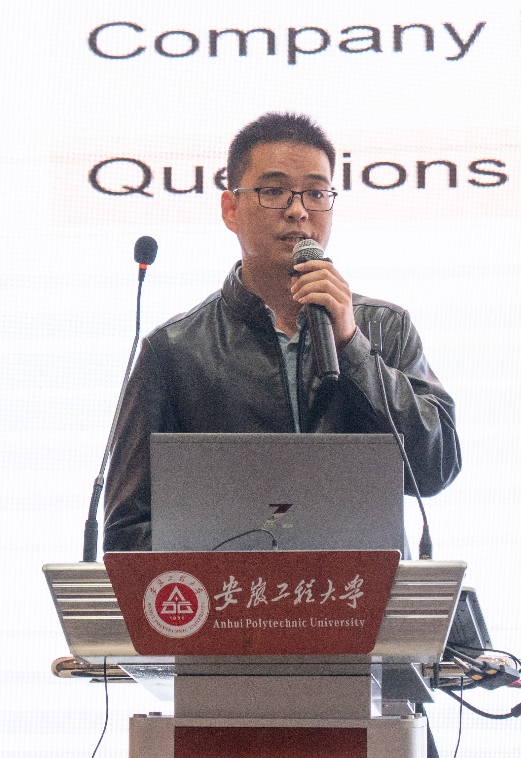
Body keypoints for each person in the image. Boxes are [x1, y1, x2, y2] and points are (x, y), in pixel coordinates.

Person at [102, 112, 461, 553]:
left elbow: (436, 468)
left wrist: (352, 347)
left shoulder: (385, 328)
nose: (298, 210)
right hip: (233, 596)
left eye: (316, 193)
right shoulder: (174, 351)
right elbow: (128, 530)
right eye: (274, 191)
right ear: (230, 209)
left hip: (361, 592)